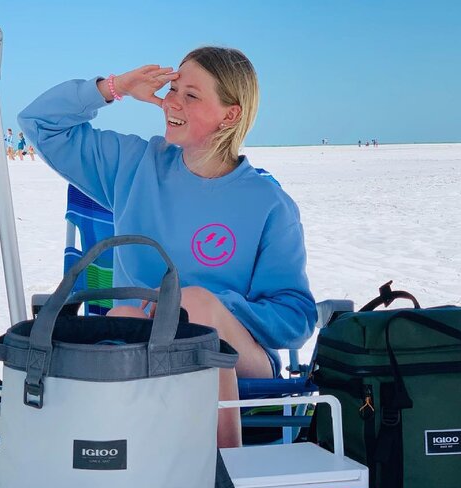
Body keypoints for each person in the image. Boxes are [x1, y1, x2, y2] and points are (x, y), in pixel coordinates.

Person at [18, 47, 316, 448]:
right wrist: (116, 87)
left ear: (230, 115)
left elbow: (295, 318)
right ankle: (135, 468)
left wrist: (210, 308)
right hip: (142, 355)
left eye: (191, 95)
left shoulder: (268, 204)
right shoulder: (134, 166)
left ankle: (222, 471)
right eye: (174, 88)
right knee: (123, 313)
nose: (172, 102)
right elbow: (39, 123)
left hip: (241, 369)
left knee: (191, 304)